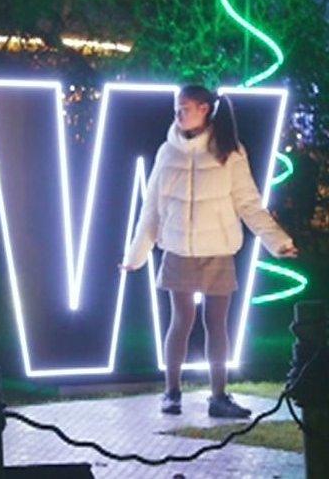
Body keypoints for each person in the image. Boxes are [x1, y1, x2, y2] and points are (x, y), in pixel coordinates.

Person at [121, 85, 299, 418]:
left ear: (204, 109)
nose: (178, 113)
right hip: (178, 250)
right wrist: (136, 255)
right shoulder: (167, 152)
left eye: (185, 107)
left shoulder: (229, 151)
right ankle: (171, 392)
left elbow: (248, 203)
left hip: (217, 250)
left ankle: (219, 396)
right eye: (176, 108)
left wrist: (278, 242)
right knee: (181, 321)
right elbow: (152, 209)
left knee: (217, 323)